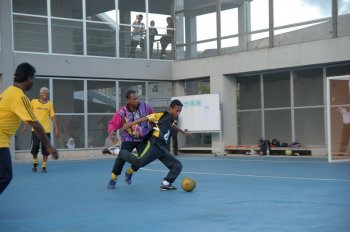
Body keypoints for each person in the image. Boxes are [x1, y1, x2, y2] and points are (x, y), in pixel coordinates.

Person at [0, 62, 59, 194]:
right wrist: (49, 146)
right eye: (33, 78)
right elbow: (36, 125)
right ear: (28, 78)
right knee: (5, 175)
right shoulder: (20, 97)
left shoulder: (8, 91)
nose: (33, 81)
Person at [118, 99, 192, 191]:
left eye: (180, 111)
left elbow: (173, 125)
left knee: (177, 166)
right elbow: (146, 118)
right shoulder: (161, 115)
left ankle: (166, 183)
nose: (178, 113)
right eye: (177, 110)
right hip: (154, 145)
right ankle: (122, 160)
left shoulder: (171, 119)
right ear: (171, 108)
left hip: (163, 149)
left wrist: (183, 132)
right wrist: (129, 124)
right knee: (139, 162)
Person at [104, 90, 153, 189]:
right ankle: (113, 179)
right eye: (134, 99)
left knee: (144, 159)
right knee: (121, 158)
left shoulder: (145, 106)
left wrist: (153, 126)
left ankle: (129, 172)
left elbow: (152, 117)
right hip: (129, 139)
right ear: (127, 100)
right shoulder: (122, 112)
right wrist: (112, 131)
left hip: (142, 139)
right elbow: (113, 124)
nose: (136, 100)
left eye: (137, 98)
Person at [23, 87, 59, 173]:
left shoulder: (49, 104)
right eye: (43, 93)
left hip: (46, 131)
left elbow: (52, 116)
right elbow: (29, 115)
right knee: (34, 148)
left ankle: (43, 166)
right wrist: (25, 126)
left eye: (46, 93)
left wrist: (56, 128)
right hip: (35, 130)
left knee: (46, 150)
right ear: (40, 93)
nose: (45, 94)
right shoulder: (33, 102)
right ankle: (35, 162)